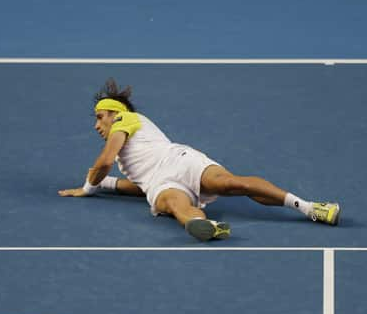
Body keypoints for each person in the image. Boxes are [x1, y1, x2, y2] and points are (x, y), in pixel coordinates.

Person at [58, 78, 340, 241]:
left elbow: (103, 161)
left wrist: (89, 187)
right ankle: (204, 226)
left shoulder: (125, 119)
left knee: (219, 188)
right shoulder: (126, 153)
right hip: (159, 180)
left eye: (99, 118)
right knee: (209, 193)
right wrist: (110, 185)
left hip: (178, 162)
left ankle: (308, 207)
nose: (97, 125)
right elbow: (139, 183)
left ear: (112, 113)